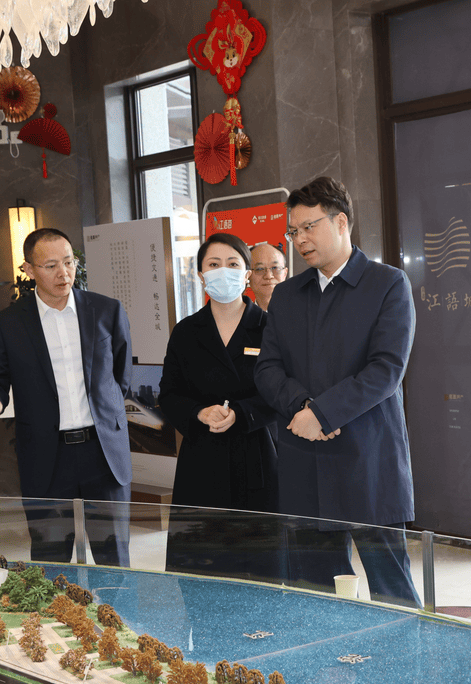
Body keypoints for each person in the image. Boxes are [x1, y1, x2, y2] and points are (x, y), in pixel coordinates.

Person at [254, 176, 420, 607]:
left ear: (341, 222)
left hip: (368, 460)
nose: (300, 240)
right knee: (317, 594)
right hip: (304, 461)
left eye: (309, 227)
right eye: (293, 231)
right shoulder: (287, 295)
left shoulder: (387, 284)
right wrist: (304, 409)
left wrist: (323, 415)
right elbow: (267, 368)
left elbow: (386, 370)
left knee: (392, 591)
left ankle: (404, 653)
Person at [0, 228, 132, 567]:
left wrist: (105, 414)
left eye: (69, 262)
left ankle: (118, 605)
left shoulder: (106, 310)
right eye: (51, 266)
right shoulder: (9, 322)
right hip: (47, 454)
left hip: (103, 451)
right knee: (50, 558)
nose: (64, 273)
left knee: (115, 556)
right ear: (28, 270)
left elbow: (121, 377)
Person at [158, 233, 281, 578]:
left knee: (259, 572)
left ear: (247, 274)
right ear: (200, 275)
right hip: (202, 460)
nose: (223, 271)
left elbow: (282, 392)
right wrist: (199, 412)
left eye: (232, 264)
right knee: (201, 571)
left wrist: (241, 413)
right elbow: (169, 393)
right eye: (214, 264)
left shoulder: (269, 328)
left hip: (256, 457)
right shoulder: (186, 332)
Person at [248, 242, 288, 311]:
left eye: (275, 268)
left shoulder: (305, 313)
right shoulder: (240, 316)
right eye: (260, 269)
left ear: (285, 273)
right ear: (248, 275)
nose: (268, 276)